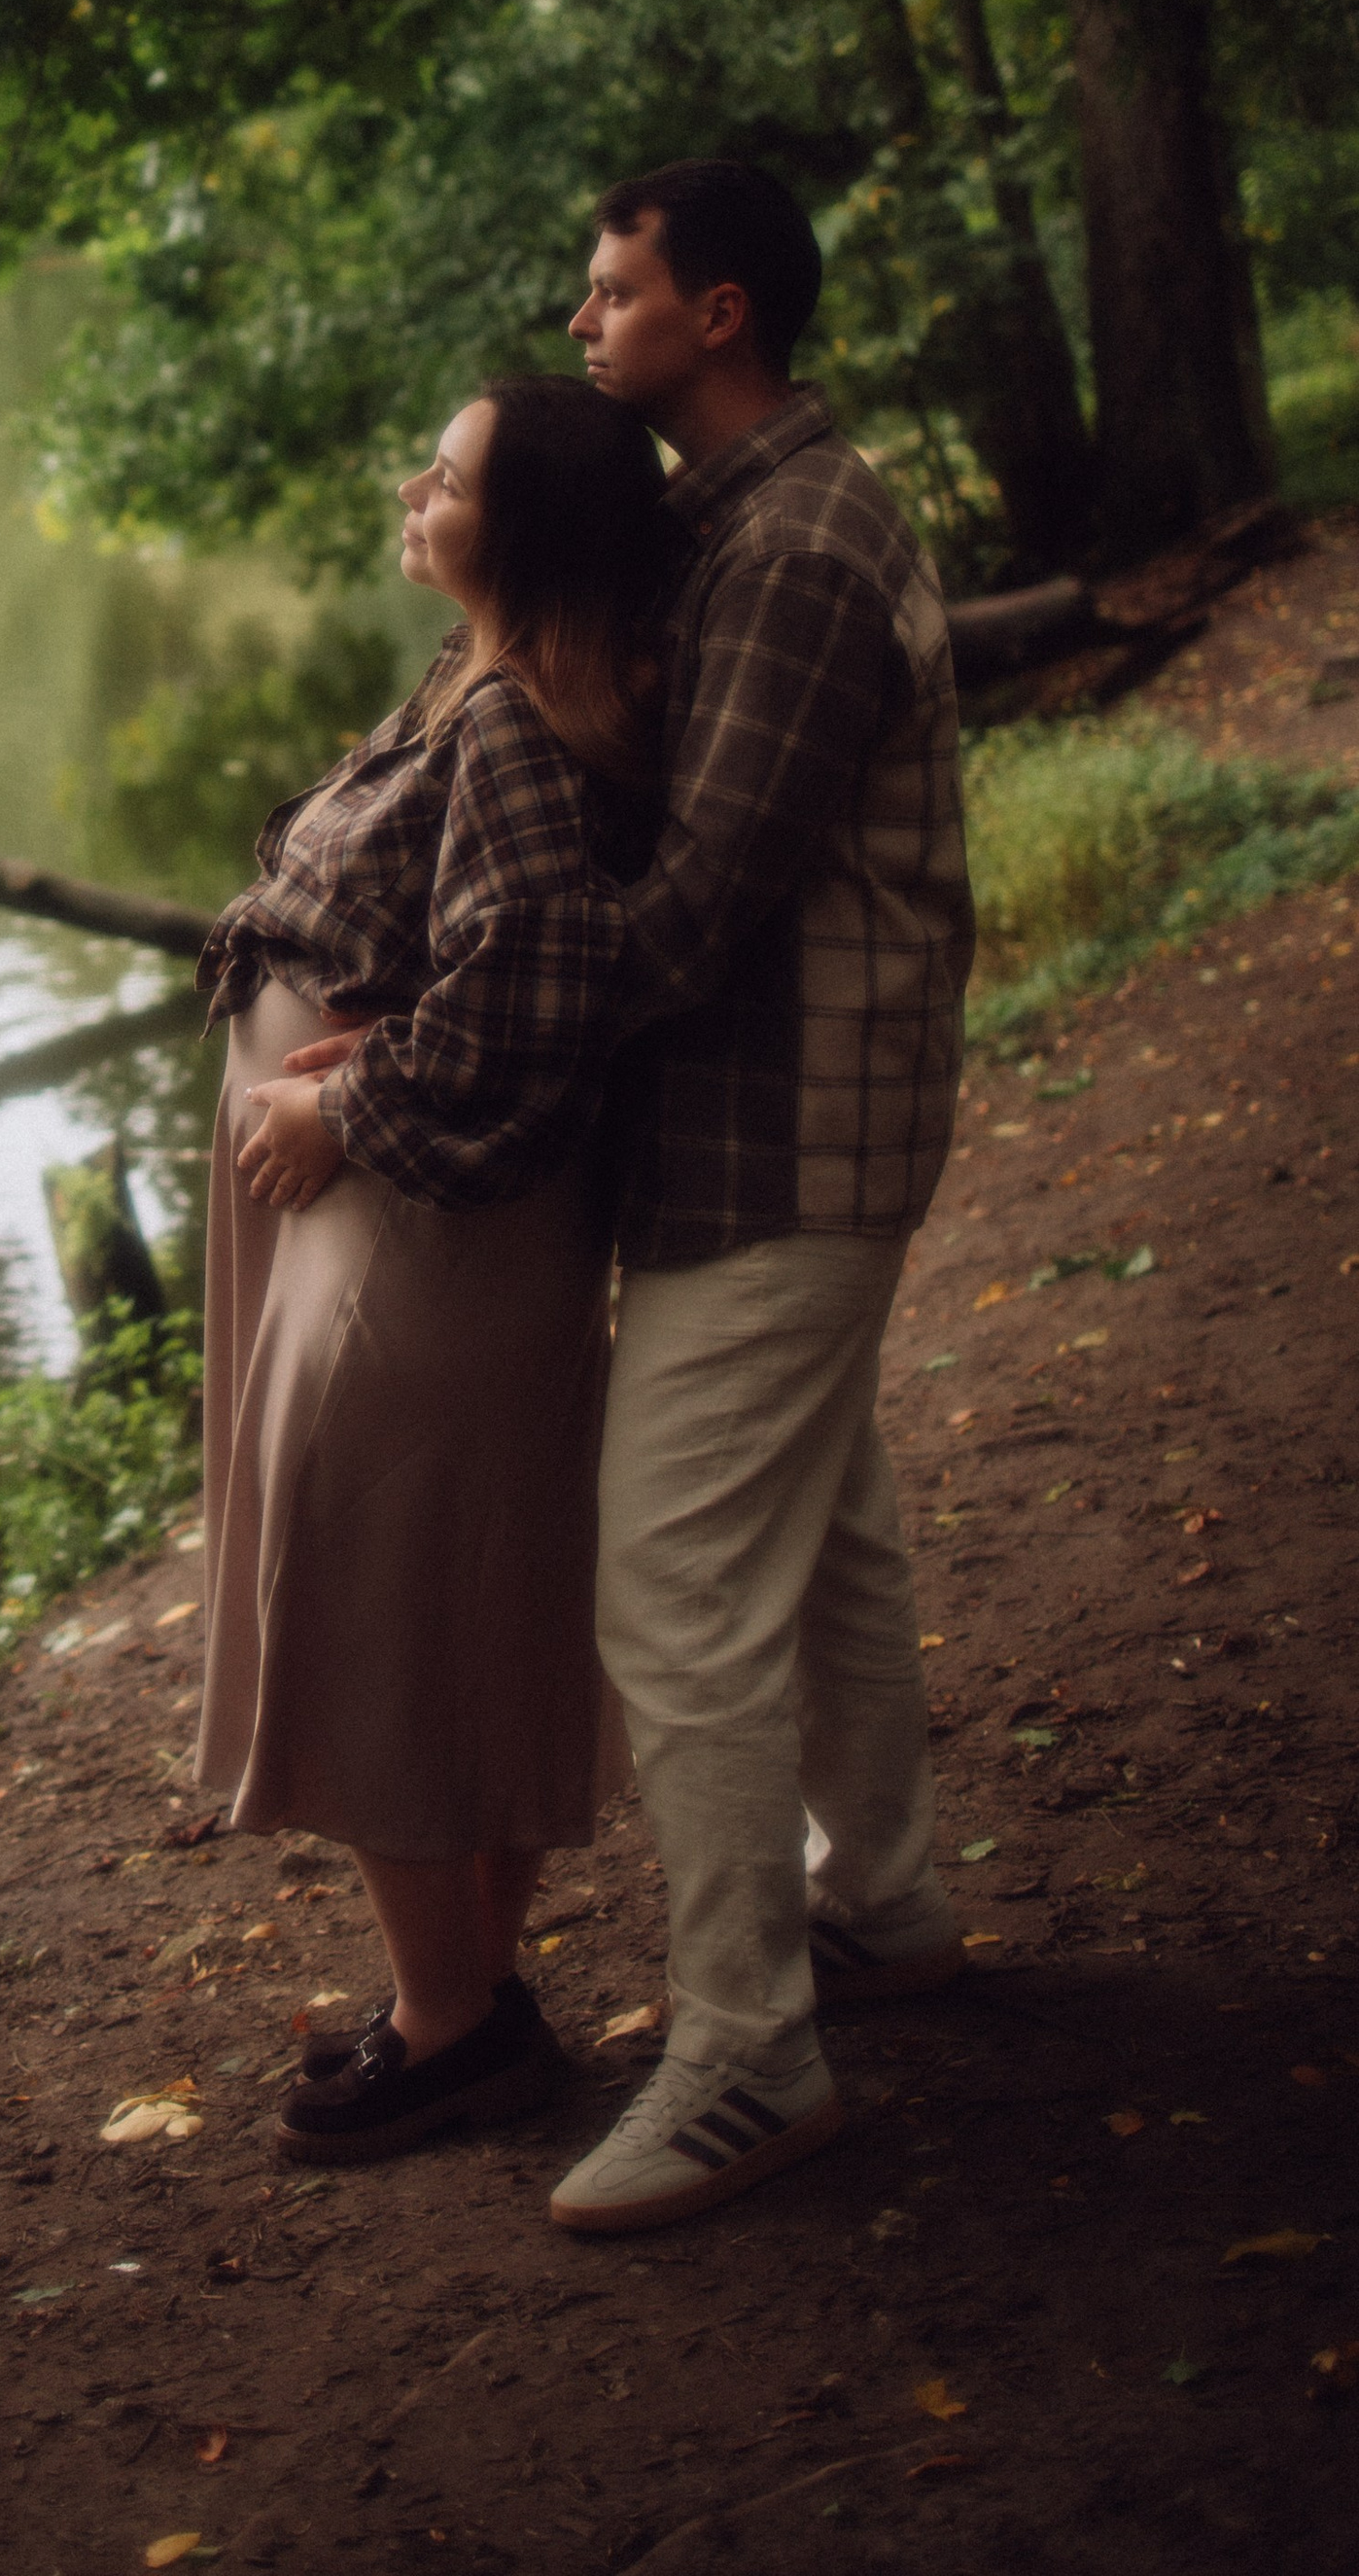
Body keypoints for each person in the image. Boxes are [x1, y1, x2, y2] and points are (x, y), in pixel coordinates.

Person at [537, 156, 976, 2234]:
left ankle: (745, 2055)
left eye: (609, 292)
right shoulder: (741, 526)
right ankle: (873, 1905)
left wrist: (467, 1039)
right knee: (828, 1538)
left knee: (674, 1595)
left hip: (783, 1136)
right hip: (784, 1126)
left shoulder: (792, 546)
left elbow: (699, 902)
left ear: (716, 317)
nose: (577, 322)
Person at [194, 372, 665, 2166]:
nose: (414, 484)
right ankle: (470, 2008)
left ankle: (451, 2022)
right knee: (450, 1606)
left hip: (423, 1234)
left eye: (448, 475)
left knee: (390, 1599)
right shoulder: (486, 691)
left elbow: (544, 959)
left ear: (524, 526)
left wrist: (359, 1101)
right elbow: (486, 937)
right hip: (400, 1226)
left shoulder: (518, 726)